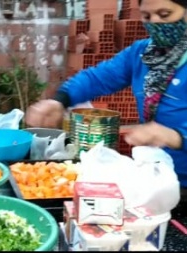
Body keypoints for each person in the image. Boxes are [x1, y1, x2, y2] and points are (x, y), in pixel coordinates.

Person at [25, 0, 187, 193]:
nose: (155, 22)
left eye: (164, 14)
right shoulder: (142, 54)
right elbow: (99, 77)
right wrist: (60, 100)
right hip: (159, 176)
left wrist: (175, 136)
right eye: (147, 16)